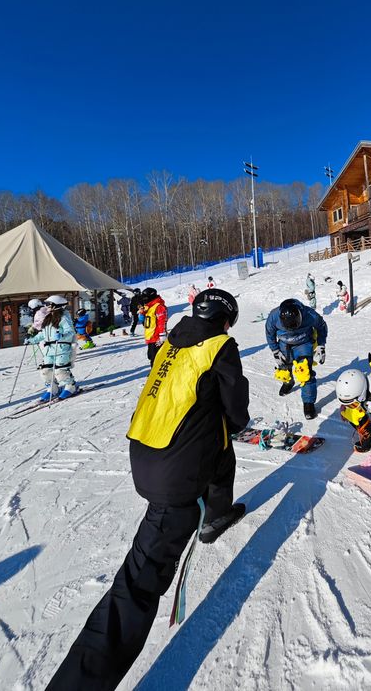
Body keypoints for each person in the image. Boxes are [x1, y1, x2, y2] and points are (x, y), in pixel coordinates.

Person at [45, 289, 250, 691]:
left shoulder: (172, 340)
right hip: (175, 475)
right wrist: (232, 422)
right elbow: (237, 408)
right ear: (226, 319)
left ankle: (215, 513)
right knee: (136, 586)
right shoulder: (220, 346)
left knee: (221, 454)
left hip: (146, 454)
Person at [265, 298, 328, 420]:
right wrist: (275, 350)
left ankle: (308, 403)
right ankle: (288, 381)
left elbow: (322, 326)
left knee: (305, 372)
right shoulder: (274, 316)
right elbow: (269, 332)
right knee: (284, 367)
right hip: (284, 343)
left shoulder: (310, 315)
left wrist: (321, 345)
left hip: (303, 343)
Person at [26, 295, 79, 402]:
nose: (47, 306)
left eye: (49, 304)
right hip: (49, 349)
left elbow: (70, 332)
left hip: (61, 348)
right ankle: (53, 388)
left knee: (60, 370)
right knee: (45, 370)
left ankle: (71, 386)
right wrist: (32, 340)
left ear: (56, 305)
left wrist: (62, 335)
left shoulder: (64, 317)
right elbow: (43, 334)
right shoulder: (48, 317)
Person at [141, 287, 167, 367]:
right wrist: (142, 314)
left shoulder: (158, 306)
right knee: (151, 356)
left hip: (156, 337)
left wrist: (162, 335)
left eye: (145, 298)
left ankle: (155, 372)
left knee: (156, 356)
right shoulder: (149, 306)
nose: (144, 300)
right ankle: (154, 370)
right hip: (150, 336)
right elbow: (146, 321)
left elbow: (162, 321)